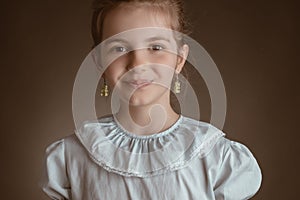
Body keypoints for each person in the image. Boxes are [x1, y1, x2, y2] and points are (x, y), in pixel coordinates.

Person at [40, 0, 262, 199]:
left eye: (156, 47)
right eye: (119, 48)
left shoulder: (216, 158)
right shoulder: (72, 157)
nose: (137, 64)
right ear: (99, 61)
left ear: (179, 59)